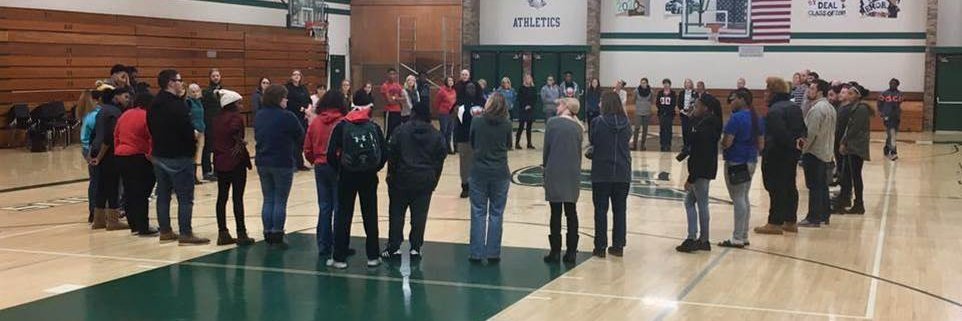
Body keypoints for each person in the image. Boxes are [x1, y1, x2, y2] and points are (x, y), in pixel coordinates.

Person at [148, 69, 210, 244]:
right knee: (185, 197)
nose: (182, 83)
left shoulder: (154, 103)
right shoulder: (177, 105)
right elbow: (185, 129)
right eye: (179, 80)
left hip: (160, 154)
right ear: (170, 82)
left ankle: (165, 231)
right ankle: (185, 232)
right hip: (179, 156)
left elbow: (150, 127)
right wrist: (194, 136)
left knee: (163, 194)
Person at [382, 98, 447, 259]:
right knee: (419, 216)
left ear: (414, 113)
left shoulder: (400, 130)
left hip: (401, 179)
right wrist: (434, 179)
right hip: (425, 180)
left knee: (397, 214)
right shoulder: (436, 135)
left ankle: (394, 246)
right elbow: (440, 159)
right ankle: (415, 247)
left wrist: (390, 176)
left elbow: (392, 155)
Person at [327, 104, 388, 268]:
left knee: (343, 216)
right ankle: (373, 256)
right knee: (370, 215)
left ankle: (339, 258)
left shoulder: (341, 126)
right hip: (369, 176)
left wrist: (340, 168)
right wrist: (374, 168)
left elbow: (330, 154)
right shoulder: (374, 126)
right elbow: (384, 152)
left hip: (347, 176)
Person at [255, 84, 305, 248]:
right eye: (284, 97)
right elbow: (300, 135)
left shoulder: (259, 115)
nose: (287, 100)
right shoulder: (287, 116)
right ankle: (277, 233)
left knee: (268, 198)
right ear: (278, 99)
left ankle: (267, 232)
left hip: (263, 161)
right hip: (282, 162)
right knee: (280, 200)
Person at [754, 77, 806, 235]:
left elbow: (779, 134)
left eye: (766, 90)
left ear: (773, 92)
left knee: (775, 188)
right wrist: (796, 148)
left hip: (776, 154)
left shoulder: (775, 110)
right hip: (792, 155)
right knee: (790, 186)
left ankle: (774, 222)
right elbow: (803, 131)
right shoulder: (794, 107)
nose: (764, 94)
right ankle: (790, 221)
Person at [468, 93, 513, 263]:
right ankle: (493, 253)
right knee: (496, 213)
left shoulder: (477, 121)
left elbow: (472, 142)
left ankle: (476, 253)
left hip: (479, 171)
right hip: (500, 171)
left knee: (478, 212)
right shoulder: (507, 123)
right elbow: (509, 144)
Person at [676, 94, 722, 253]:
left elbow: (700, 153)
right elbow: (691, 142)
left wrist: (691, 178)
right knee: (690, 202)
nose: (694, 109)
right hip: (704, 169)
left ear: (705, 108)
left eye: (696, 106)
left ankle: (701, 239)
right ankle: (695, 237)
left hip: (700, 171)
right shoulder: (706, 123)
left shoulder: (707, 127)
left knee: (701, 204)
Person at [717, 89, 762, 248]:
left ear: (742, 99)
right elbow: (761, 143)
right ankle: (743, 235)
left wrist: (722, 145)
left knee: (738, 198)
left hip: (736, 161)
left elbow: (727, 142)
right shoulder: (757, 118)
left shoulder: (736, 118)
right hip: (751, 160)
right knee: (744, 196)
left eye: (733, 99)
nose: (731, 102)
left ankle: (737, 237)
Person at [589, 91, 632, 258]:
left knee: (600, 210)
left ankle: (600, 247)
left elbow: (594, 141)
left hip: (602, 172)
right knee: (620, 210)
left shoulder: (597, 122)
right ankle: (618, 245)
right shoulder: (626, 123)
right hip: (622, 171)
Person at [304, 91, 347, 256]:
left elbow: (307, 147)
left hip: (320, 166)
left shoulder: (315, 122)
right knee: (339, 206)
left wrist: (314, 160)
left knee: (324, 207)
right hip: (337, 166)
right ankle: (338, 244)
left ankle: (323, 245)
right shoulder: (343, 122)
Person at [542, 98, 584, 263]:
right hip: (572, 172)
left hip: (555, 170)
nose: (557, 106)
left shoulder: (552, 123)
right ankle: (571, 252)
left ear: (566, 106)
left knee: (555, 213)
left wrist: (545, 167)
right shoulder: (579, 128)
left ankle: (555, 251)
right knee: (571, 212)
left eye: (560, 104)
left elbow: (547, 149)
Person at [212, 89, 254, 246]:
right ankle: (241, 233)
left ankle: (222, 232)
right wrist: (240, 143)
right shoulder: (236, 118)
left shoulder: (216, 119)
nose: (241, 105)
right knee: (238, 198)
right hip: (236, 162)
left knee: (221, 198)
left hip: (220, 161)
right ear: (232, 104)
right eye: (239, 103)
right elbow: (237, 135)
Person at [114, 92, 157, 236]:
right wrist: (151, 156)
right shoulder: (147, 116)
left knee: (129, 191)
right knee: (142, 193)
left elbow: (116, 135)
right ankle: (143, 226)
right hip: (138, 156)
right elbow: (151, 137)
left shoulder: (125, 114)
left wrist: (117, 150)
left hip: (121, 155)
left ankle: (134, 225)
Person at [89, 84, 129, 231]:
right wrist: (100, 156)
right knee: (112, 186)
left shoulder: (100, 111)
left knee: (101, 185)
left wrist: (92, 153)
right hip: (108, 153)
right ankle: (113, 221)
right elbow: (109, 136)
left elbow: (95, 133)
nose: (127, 99)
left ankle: (98, 220)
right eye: (124, 96)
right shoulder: (114, 112)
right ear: (115, 98)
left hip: (96, 148)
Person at [798, 79, 836, 228]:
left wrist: (803, 150)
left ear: (819, 91)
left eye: (812, 88)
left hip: (814, 153)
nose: (809, 91)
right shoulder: (830, 108)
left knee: (814, 186)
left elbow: (810, 134)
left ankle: (813, 217)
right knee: (823, 186)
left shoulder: (817, 109)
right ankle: (824, 215)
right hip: (826, 152)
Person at [836, 82, 873, 215]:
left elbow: (853, 129)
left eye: (851, 93)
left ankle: (859, 204)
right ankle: (854, 202)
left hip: (857, 147)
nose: (849, 96)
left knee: (856, 176)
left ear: (858, 95)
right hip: (853, 145)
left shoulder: (861, 109)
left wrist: (843, 142)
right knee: (852, 175)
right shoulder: (855, 107)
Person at [456, 82, 485, 198]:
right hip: (464, 138)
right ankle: (465, 186)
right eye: (468, 88)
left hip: (479, 138)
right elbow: (458, 121)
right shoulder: (460, 103)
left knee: (479, 163)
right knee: (464, 164)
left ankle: (477, 186)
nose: (471, 90)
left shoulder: (483, 102)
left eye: (473, 88)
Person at [80, 88, 102, 223]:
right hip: (100, 152)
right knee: (106, 184)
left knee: (94, 183)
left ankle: (93, 212)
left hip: (91, 152)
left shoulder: (87, 116)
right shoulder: (99, 114)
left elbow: (84, 139)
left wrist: (86, 154)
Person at [200, 69, 223, 181]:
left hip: (221, 122)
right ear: (210, 77)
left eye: (217, 75)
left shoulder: (224, 91)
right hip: (210, 122)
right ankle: (206, 171)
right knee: (208, 147)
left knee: (219, 147)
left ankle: (218, 170)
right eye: (213, 76)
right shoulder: (206, 92)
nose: (216, 78)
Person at [186, 83, 207, 183]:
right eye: (192, 92)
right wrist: (192, 129)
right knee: (192, 154)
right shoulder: (188, 102)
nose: (195, 93)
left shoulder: (200, 102)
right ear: (189, 93)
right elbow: (187, 117)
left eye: (197, 91)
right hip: (193, 131)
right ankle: (191, 177)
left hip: (201, 129)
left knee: (198, 154)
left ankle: (195, 177)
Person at [879, 78, 902, 160]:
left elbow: (899, 105)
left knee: (893, 135)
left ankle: (886, 149)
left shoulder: (900, 94)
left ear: (897, 85)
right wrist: (882, 113)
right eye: (891, 83)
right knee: (891, 134)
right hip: (888, 117)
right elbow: (880, 103)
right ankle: (893, 152)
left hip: (896, 117)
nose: (892, 85)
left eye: (894, 83)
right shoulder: (884, 93)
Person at [436, 76, 458, 154]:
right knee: (443, 131)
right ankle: (442, 148)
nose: (451, 82)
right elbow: (437, 102)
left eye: (452, 80)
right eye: (449, 80)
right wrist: (440, 110)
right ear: (446, 81)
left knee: (450, 131)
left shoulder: (454, 91)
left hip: (452, 114)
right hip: (443, 113)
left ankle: (449, 148)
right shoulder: (442, 91)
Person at [381, 68, 404, 139]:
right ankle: (385, 146)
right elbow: (389, 101)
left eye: (394, 74)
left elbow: (404, 99)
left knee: (397, 130)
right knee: (388, 131)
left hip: (398, 111)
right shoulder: (385, 86)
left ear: (396, 75)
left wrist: (395, 98)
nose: (392, 76)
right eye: (390, 74)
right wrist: (397, 99)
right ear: (387, 75)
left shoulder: (399, 86)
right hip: (389, 111)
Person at [516, 74, 538, 150]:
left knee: (529, 127)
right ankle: (517, 143)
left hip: (530, 109)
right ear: (524, 79)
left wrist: (530, 105)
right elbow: (519, 98)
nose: (528, 79)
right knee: (521, 127)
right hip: (523, 109)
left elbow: (535, 98)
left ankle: (529, 143)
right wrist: (525, 106)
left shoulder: (533, 88)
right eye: (527, 78)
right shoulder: (521, 88)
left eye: (529, 78)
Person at [677, 79, 698, 156]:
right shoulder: (682, 93)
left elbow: (696, 103)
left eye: (689, 82)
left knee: (690, 131)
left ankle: (690, 146)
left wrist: (691, 112)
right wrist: (682, 110)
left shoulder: (694, 93)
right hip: (683, 113)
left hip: (692, 114)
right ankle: (685, 146)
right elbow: (679, 103)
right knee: (684, 131)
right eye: (686, 83)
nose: (687, 84)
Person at [656, 79, 677, 152]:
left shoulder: (673, 93)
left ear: (670, 85)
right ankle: (662, 144)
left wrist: (668, 111)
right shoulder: (660, 93)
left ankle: (668, 144)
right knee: (662, 129)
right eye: (664, 83)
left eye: (667, 83)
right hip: (661, 114)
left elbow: (673, 104)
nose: (666, 85)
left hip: (669, 114)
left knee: (668, 129)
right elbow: (657, 103)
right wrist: (662, 111)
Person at [633, 78, 653, 151]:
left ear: (647, 83)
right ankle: (634, 145)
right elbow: (633, 100)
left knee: (645, 129)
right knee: (636, 128)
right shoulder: (636, 91)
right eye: (641, 83)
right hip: (638, 112)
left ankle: (642, 145)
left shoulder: (651, 91)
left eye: (644, 83)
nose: (643, 84)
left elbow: (652, 100)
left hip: (647, 112)